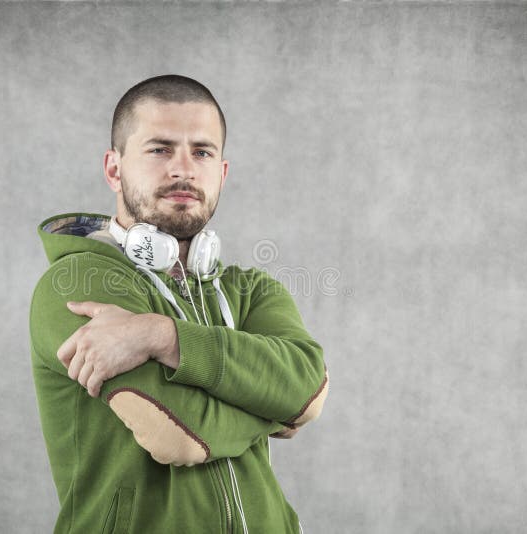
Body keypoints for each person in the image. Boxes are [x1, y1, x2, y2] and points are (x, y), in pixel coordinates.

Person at [29, 74, 329, 534]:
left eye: (202, 152)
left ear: (222, 172)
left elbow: (307, 388)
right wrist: (273, 407)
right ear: (114, 169)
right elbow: (176, 435)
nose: (183, 169)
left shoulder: (251, 290)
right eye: (160, 149)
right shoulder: (76, 280)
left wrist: (161, 335)